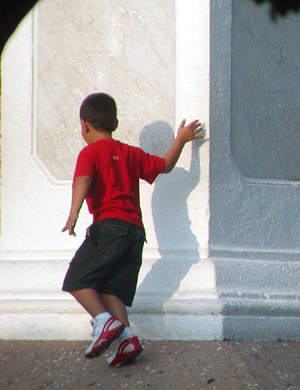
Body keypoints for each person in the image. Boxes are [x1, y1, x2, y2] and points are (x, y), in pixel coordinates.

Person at [61, 93, 203, 367]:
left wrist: (74, 212)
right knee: (113, 290)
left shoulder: (89, 153)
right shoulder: (130, 153)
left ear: (84, 125)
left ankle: (103, 321)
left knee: (78, 279)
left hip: (108, 228)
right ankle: (126, 338)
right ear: (114, 122)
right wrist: (181, 140)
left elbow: (83, 178)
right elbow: (165, 165)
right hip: (135, 233)